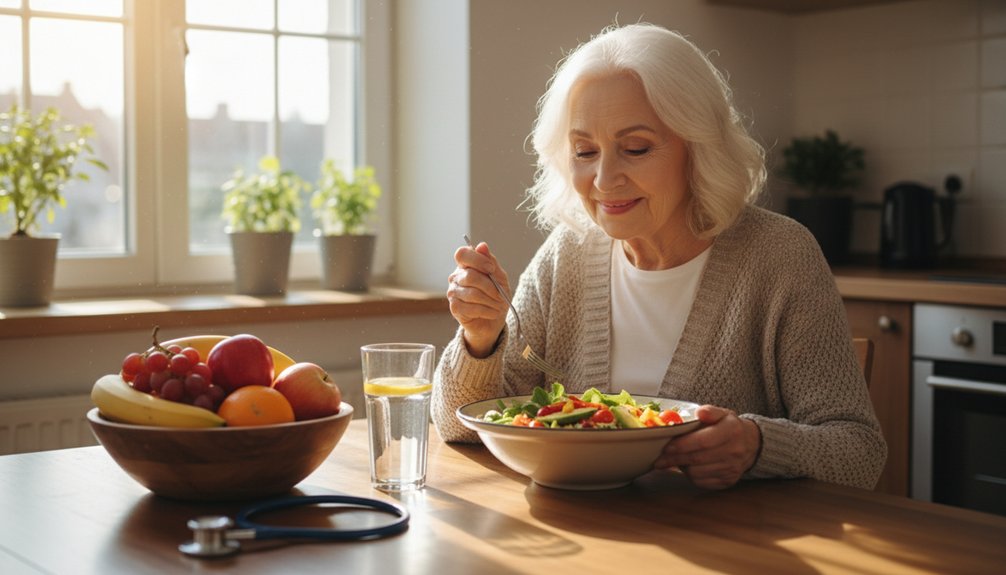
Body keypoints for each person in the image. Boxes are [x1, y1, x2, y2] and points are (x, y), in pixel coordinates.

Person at [431, 23, 886, 491]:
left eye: (636, 148)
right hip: (573, 528)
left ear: (699, 148)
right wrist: (480, 340)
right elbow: (458, 425)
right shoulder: (568, 253)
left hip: (721, 534)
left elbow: (860, 453)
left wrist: (757, 445)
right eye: (584, 151)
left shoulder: (780, 256)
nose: (604, 180)